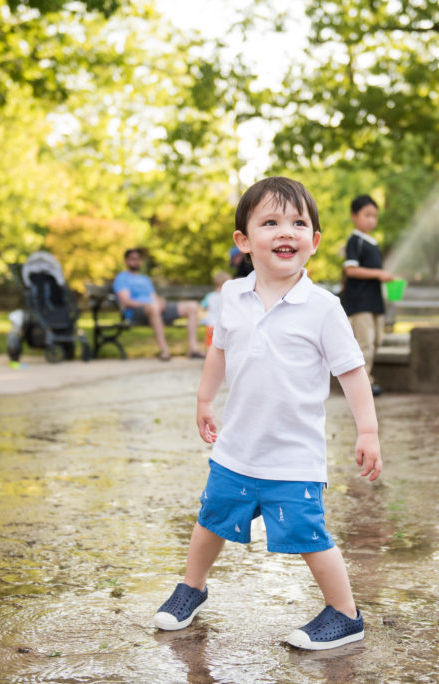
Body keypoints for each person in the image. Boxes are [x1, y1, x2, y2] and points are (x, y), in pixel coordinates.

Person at [152, 176, 383, 650]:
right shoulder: (232, 295)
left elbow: (353, 372)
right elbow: (218, 349)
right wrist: (204, 399)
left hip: (293, 454)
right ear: (244, 241)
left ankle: (345, 613)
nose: (287, 232)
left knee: (309, 534)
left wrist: (368, 431)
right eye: (271, 222)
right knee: (210, 519)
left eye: (299, 223)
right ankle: (191, 587)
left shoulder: (323, 307)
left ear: (314, 242)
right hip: (238, 446)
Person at [340, 195, 395, 397]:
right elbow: (351, 270)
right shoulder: (355, 241)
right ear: (354, 216)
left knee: (377, 340)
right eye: (367, 215)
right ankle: (363, 383)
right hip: (360, 301)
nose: (372, 220)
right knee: (365, 344)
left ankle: (364, 378)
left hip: (374, 302)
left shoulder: (372, 242)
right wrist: (379, 274)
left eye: (375, 216)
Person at [113, 248, 204, 361]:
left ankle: (193, 349)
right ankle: (164, 350)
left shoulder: (145, 279)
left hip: (154, 309)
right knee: (154, 307)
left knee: (192, 306)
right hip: (135, 312)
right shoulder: (122, 278)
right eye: (132, 259)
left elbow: (153, 297)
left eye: (137, 259)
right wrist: (152, 304)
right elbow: (126, 301)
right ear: (126, 260)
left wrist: (160, 302)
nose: (135, 261)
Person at [199, 271, 231, 347]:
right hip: (224, 325)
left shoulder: (210, 296)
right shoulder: (228, 296)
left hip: (211, 324)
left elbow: (201, 307)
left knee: (210, 345)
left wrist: (204, 318)